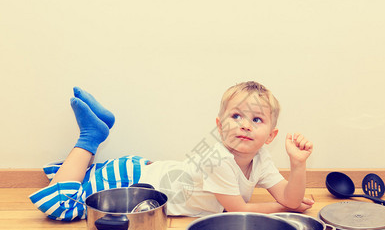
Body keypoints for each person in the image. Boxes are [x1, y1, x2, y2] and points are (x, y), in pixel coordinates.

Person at [29, 81, 314, 221]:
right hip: (133, 183)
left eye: (257, 120)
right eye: (236, 116)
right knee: (60, 204)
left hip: (145, 174)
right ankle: (91, 136)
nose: (245, 126)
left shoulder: (260, 158)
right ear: (219, 125)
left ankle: (93, 138)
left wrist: (297, 164)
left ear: (270, 136)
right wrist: (287, 206)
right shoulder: (218, 159)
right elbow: (238, 210)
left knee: (76, 182)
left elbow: (290, 196)